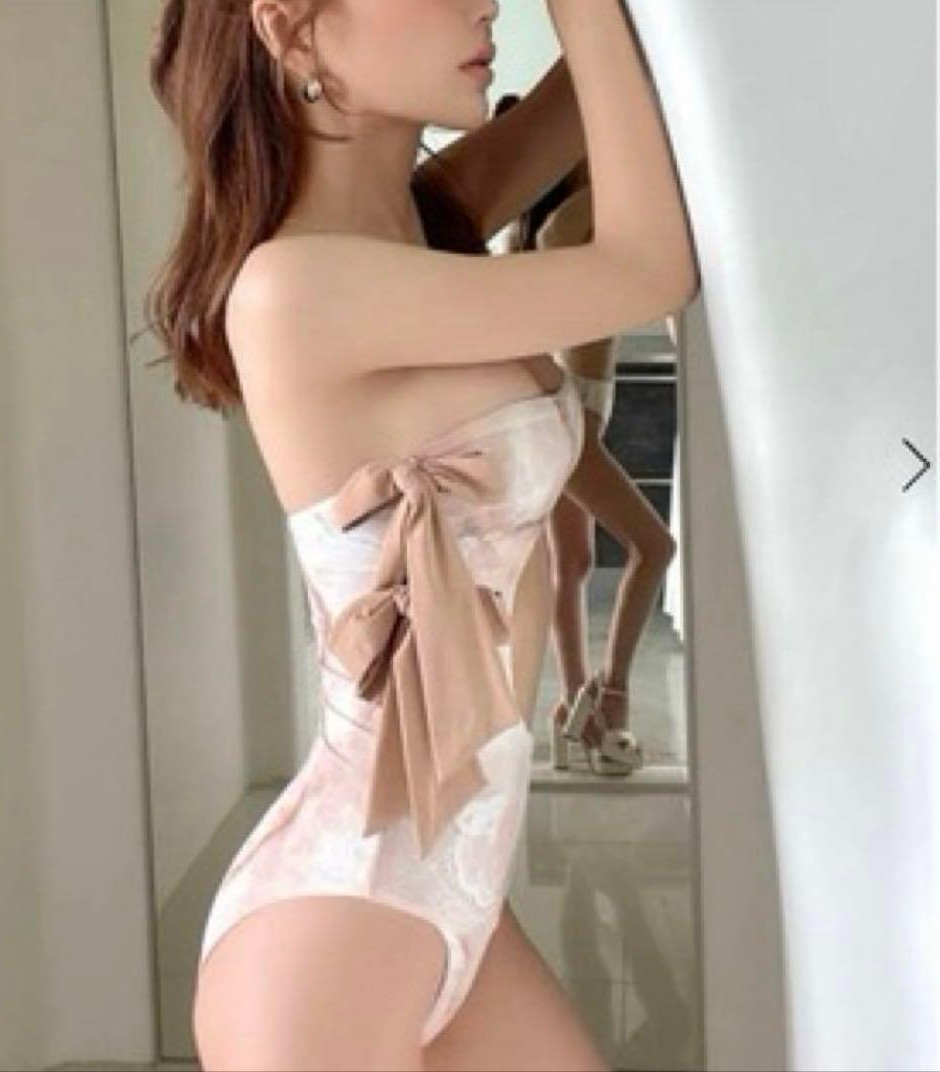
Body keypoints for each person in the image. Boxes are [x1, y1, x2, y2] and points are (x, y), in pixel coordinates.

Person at [145, 0, 697, 1067]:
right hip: (330, 929)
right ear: (291, 28)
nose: (483, 1)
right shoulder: (290, 288)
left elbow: (607, 73)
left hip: (459, 898)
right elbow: (647, 268)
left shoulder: (424, 218)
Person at [505, 171, 679, 777]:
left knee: (572, 564)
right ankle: (613, 694)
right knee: (655, 547)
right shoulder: (570, 223)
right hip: (569, 419)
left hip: (566, 413)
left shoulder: (550, 232)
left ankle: (572, 712)